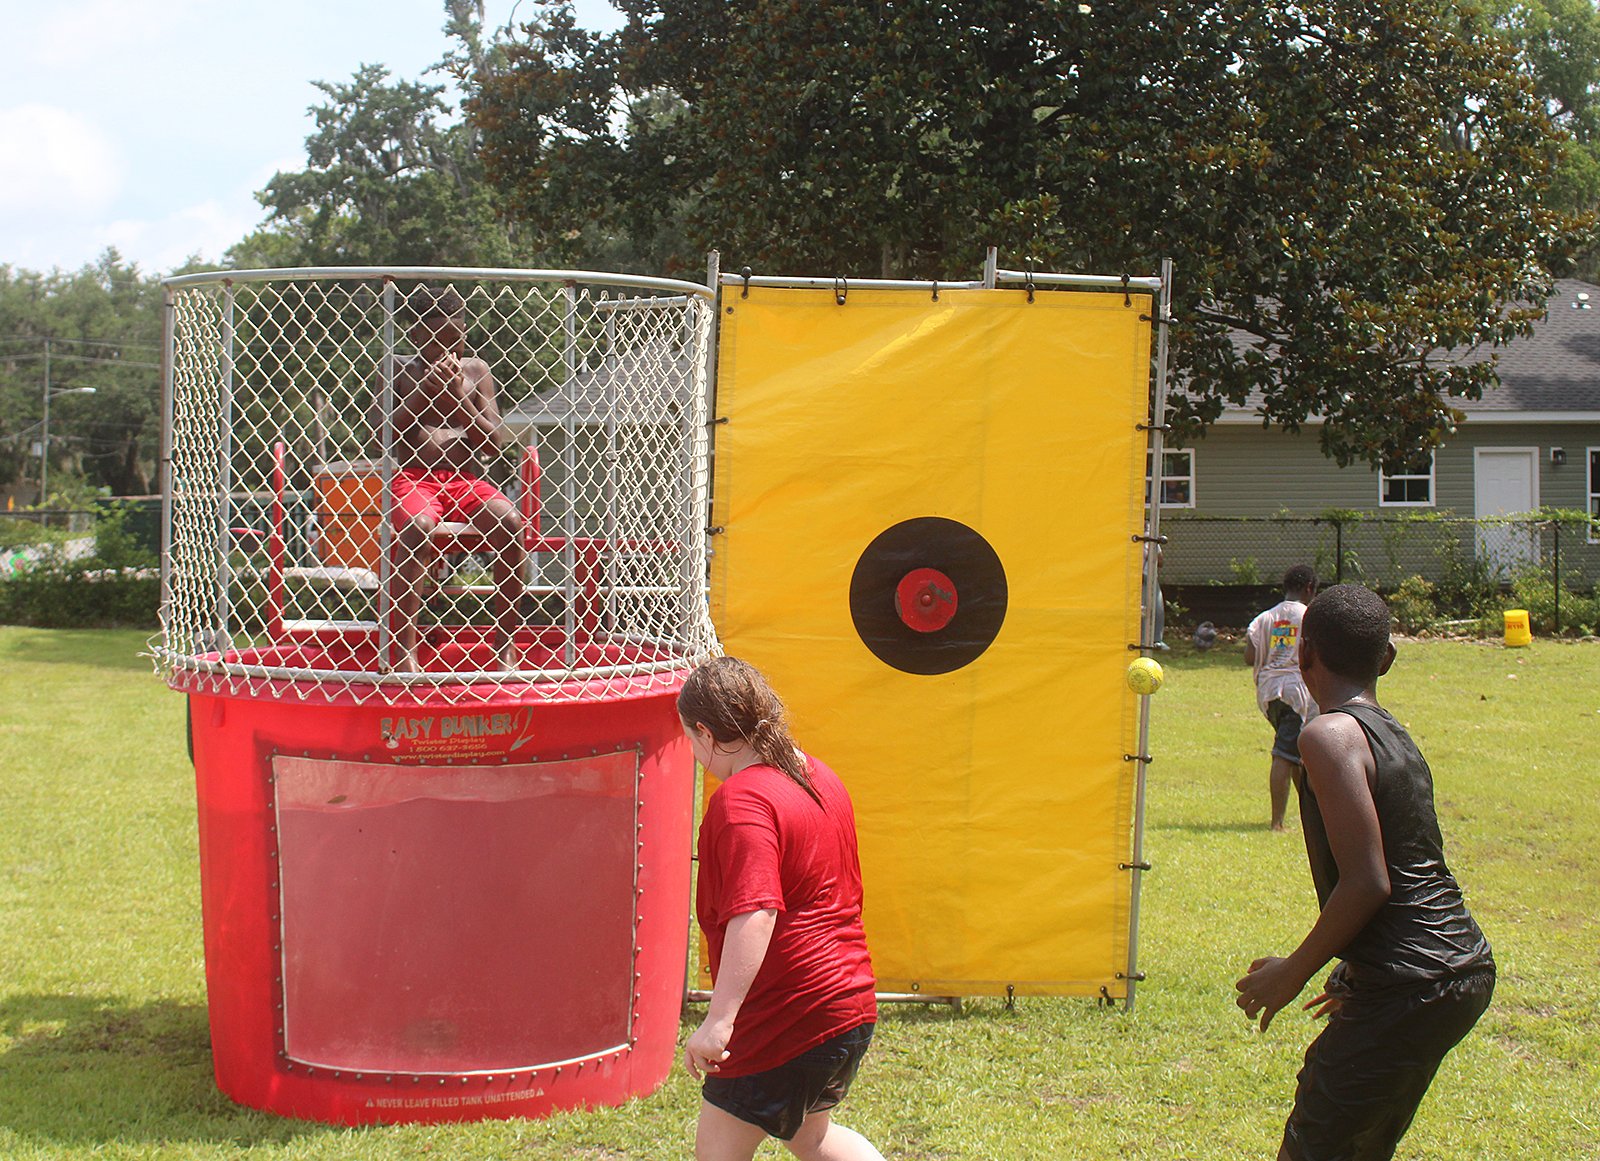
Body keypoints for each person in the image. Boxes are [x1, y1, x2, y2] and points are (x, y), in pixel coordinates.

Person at [1235, 584, 1495, 1161]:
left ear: (1303, 655)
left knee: (1317, 1144)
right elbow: (1410, 863)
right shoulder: (1393, 733)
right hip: (1455, 968)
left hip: (1414, 982)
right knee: (1362, 1143)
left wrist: (1293, 972)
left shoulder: (1326, 736)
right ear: (1387, 659)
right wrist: (1360, 970)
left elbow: (1369, 881)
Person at [678, 656, 883, 1161]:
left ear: (705, 732)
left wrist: (719, 1023)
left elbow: (756, 911)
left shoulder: (742, 800)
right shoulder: (815, 773)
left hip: (788, 1016)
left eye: (688, 737)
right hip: (849, 1003)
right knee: (810, 1138)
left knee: (719, 1154)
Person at [384, 286, 525, 672]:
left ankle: (505, 645)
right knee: (418, 526)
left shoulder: (476, 371)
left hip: (465, 480)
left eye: (456, 339)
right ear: (416, 336)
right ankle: (405, 653)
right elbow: (381, 434)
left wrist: (458, 396)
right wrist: (423, 395)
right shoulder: (398, 368)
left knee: (511, 524)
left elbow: (492, 444)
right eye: (438, 340)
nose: (450, 350)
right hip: (415, 477)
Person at [1245, 564, 1318, 830]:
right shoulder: (1310, 616)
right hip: (1296, 693)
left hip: (1268, 693)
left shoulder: (1265, 618)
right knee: (1284, 755)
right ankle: (1277, 823)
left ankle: (1313, 815)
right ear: (1309, 588)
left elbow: (1250, 656)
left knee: (1296, 754)